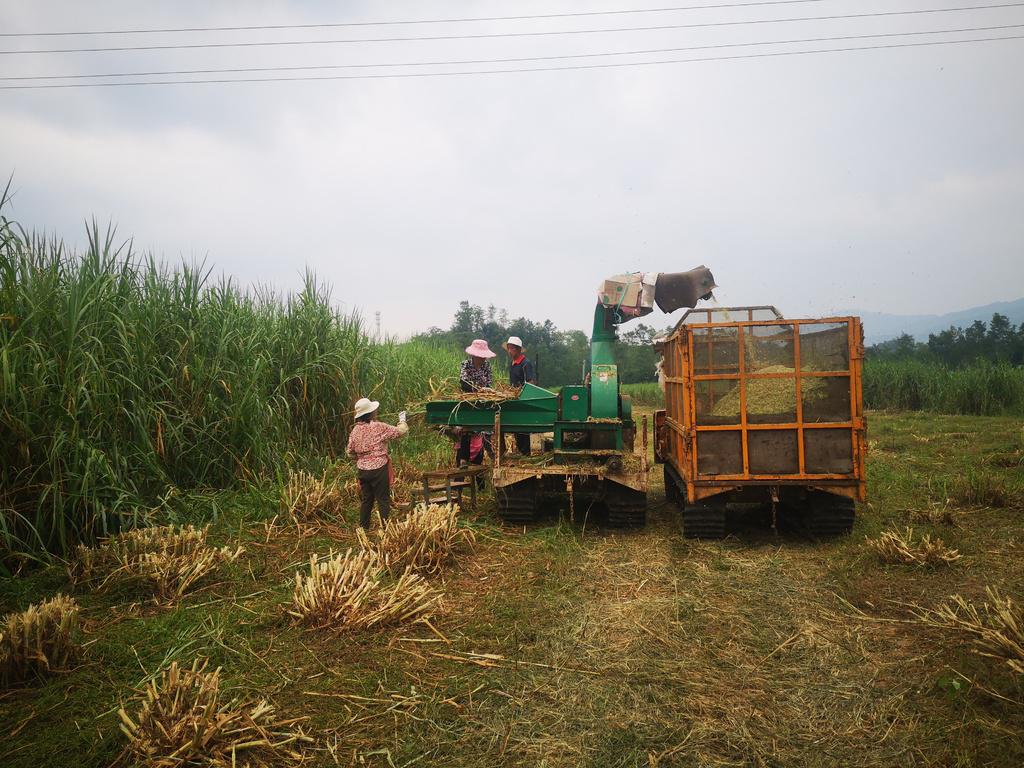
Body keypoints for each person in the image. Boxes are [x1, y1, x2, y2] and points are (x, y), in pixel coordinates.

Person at [346, 397, 407, 529]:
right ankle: (385, 528)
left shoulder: (355, 430)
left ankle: (363, 528)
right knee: (383, 499)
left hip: (363, 470)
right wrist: (402, 421)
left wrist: (362, 457)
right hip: (379, 468)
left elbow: (350, 452)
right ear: (370, 413)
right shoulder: (379, 427)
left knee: (367, 499)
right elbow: (401, 432)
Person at [457, 339, 496, 466]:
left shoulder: (487, 366)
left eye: (484, 356)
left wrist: (486, 391)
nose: (483, 359)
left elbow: (489, 383)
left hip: (485, 399)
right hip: (469, 399)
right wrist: (477, 390)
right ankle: (463, 459)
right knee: (466, 427)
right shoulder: (465, 365)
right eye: (481, 356)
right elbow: (464, 383)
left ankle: (493, 457)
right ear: (474, 355)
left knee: (486, 432)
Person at [503, 335, 536, 455]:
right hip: (514, 397)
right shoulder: (512, 364)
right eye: (509, 348)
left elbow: (530, 382)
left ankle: (525, 453)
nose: (509, 351)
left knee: (523, 428)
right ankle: (521, 452)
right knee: (517, 427)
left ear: (517, 349)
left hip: (522, 398)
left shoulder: (525, 363)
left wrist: (523, 396)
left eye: (511, 348)